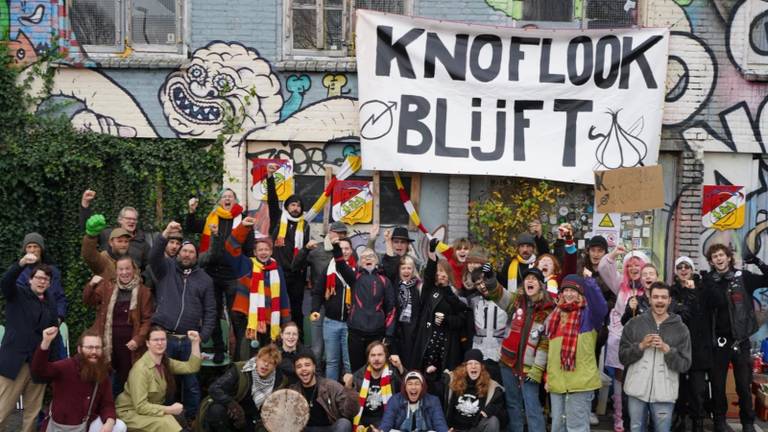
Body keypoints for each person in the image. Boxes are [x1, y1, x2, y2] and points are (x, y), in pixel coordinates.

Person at [149, 221, 216, 421]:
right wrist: (164, 235)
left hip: (189, 340)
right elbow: (153, 256)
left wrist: (202, 337)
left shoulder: (205, 279)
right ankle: (165, 419)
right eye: (183, 251)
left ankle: (193, 420)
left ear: (196, 257)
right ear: (178, 253)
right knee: (163, 382)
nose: (186, 254)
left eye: (191, 252)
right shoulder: (166, 269)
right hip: (165, 337)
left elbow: (211, 311)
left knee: (192, 383)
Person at [702, 244, 768, 432]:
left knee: (743, 385)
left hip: (741, 341)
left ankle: (747, 422)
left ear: (729, 257)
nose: (719, 258)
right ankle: (719, 421)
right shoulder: (709, 281)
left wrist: (757, 261)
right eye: (714, 256)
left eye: (721, 255)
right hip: (719, 342)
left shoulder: (743, 278)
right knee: (718, 384)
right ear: (711, 261)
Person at [482, 266, 553, 432]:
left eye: (534, 279)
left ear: (541, 285)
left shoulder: (548, 310)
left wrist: (537, 368)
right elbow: (498, 294)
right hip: (508, 362)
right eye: (527, 278)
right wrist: (491, 278)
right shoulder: (516, 301)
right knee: (513, 404)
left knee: (532, 406)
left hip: (530, 368)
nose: (530, 281)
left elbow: (545, 343)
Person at [620, 282, 692, 432]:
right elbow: (622, 357)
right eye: (656, 297)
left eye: (663, 297)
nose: (660, 301)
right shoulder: (634, 323)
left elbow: (685, 365)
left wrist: (667, 350)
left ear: (669, 300)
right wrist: (640, 346)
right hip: (636, 390)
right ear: (649, 299)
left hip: (665, 392)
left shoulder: (681, 328)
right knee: (635, 428)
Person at [186, 191, 248, 364]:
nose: (227, 198)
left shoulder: (243, 220)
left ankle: (239, 356)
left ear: (235, 200)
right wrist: (191, 212)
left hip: (233, 276)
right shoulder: (211, 218)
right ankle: (219, 349)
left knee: (237, 316)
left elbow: (249, 247)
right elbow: (191, 227)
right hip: (211, 274)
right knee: (212, 313)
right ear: (220, 201)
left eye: (231, 196)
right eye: (224, 196)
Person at [0, 258, 60, 432]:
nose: (42, 281)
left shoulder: (51, 303)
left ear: (49, 283)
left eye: (46, 279)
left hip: (38, 366)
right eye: (39, 278)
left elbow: (54, 337)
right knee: (3, 411)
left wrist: (54, 367)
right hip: (14, 364)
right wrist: (21, 264)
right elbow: (5, 281)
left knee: (32, 415)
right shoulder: (17, 294)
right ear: (30, 279)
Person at [545, 274, 608, 432]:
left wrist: (590, 282)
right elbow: (551, 353)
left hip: (581, 383)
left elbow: (601, 307)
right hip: (557, 383)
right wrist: (548, 378)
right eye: (566, 290)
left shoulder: (589, 315)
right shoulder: (555, 316)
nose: (569, 294)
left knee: (577, 428)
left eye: (574, 290)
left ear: (581, 293)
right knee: (558, 427)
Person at [32, 327, 127, 432]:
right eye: (90, 347)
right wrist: (46, 342)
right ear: (79, 349)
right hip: (60, 427)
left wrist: (109, 422)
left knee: (119, 426)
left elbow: (107, 404)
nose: (94, 352)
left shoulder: (102, 372)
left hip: (85, 425)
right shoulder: (66, 366)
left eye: (98, 347)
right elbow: (39, 370)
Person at [83, 255, 153, 395]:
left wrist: (138, 339)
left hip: (130, 345)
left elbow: (147, 320)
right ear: (116, 271)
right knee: (105, 378)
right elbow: (88, 300)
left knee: (127, 379)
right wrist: (91, 284)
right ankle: (107, 409)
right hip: (108, 341)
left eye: (127, 268)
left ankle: (123, 409)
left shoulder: (144, 291)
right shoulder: (108, 287)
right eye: (120, 269)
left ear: (134, 270)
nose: (124, 272)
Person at [223, 216, 290, 356]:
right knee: (245, 355)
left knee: (267, 356)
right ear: (254, 252)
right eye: (260, 250)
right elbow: (230, 248)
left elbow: (283, 295)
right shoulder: (246, 265)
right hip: (246, 319)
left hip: (270, 319)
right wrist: (243, 227)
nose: (263, 252)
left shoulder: (277, 270)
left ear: (271, 252)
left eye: (266, 249)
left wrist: (286, 320)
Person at [115, 326, 202, 432]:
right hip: (130, 413)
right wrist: (169, 409)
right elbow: (141, 406)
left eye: (163, 339)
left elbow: (192, 367)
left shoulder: (165, 362)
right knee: (165, 422)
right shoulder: (140, 369)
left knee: (174, 418)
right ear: (147, 343)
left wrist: (195, 342)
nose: (160, 343)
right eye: (155, 340)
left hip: (150, 411)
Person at [411, 239, 469, 394]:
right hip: (428, 343)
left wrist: (446, 320)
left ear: (448, 273)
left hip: (447, 345)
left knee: (443, 386)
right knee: (424, 382)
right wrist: (432, 254)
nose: (440, 275)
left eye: (443, 271)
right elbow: (428, 276)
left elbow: (462, 318)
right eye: (438, 271)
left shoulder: (455, 294)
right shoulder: (429, 290)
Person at [600, 246, 648, 432]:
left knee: (641, 376)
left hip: (643, 338)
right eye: (630, 265)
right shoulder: (620, 283)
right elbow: (604, 267)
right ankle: (619, 417)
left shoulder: (650, 285)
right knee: (619, 377)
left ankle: (640, 417)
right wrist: (614, 253)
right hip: (621, 336)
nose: (634, 268)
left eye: (637, 265)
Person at [330, 241, 396, 372]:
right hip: (355, 332)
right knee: (357, 370)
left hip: (376, 333)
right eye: (364, 257)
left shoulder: (384, 280)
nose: (368, 258)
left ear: (377, 261)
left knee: (377, 369)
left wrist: (388, 335)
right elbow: (341, 265)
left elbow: (391, 309)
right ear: (360, 262)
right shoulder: (354, 276)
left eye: (371, 256)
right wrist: (336, 247)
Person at [266, 163, 310, 336]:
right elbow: (271, 200)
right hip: (279, 273)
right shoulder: (278, 220)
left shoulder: (305, 226)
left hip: (297, 275)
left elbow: (305, 253)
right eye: (292, 205)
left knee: (296, 309)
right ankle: (276, 339)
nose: (295, 208)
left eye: (298, 205)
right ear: (287, 207)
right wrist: (270, 178)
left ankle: (297, 342)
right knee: (277, 307)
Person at [295, 221, 349, 359]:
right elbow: (295, 266)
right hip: (319, 304)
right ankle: (315, 375)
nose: (341, 237)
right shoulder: (316, 250)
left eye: (344, 234)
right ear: (330, 233)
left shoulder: (347, 251)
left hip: (340, 305)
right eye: (338, 233)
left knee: (339, 348)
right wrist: (305, 249)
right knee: (317, 347)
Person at [201, 344, 284, 432]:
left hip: (253, 418)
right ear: (257, 359)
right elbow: (214, 388)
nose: (266, 364)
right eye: (263, 360)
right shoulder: (240, 370)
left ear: (274, 367)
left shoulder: (278, 380)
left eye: (270, 363)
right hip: (231, 413)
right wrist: (232, 405)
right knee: (216, 410)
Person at [670, 256, 711, 432]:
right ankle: (679, 420)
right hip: (678, 346)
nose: (684, 270)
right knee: (678, 388)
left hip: (698, 346)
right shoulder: (672, 291)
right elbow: (672, 312)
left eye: (687, 267)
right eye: (680, 267)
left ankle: (697, 423)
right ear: (676, 271)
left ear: (692, 270)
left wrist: (695, 291)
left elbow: (705, 310)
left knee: (697, 389)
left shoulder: (702, 288)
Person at [310, 237, 355, 380]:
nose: (344, 251)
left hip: (351, 324)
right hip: (331, 322)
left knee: (349, 363)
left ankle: (350, 396)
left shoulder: (358, 270)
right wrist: (315, 309)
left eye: (347, 248)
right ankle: (330, 394)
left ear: (352, 251)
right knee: (332, 363)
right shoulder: (328, 269)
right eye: (341, 248)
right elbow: (317, 292)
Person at [461, 247, 507, 383]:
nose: (482, 286)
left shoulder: (506, 299)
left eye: (484, 281)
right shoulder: (473, 300)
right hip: (479, 353)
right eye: (478, 283)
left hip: (501, 353)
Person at [287, 350, 358, 432]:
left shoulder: (331, 386)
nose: (303, 369)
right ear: (295, 370)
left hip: (329, 428)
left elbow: (350, 412)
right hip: (305, 429)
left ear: (314, 367)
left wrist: (349, 389)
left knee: (344, 423)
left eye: (307, 365)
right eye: (299, 367)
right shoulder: (292, 391)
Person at [80, 190, 151, 269]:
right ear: (120, 220)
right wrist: (85, 204)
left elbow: (150, 266)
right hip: (108, 278)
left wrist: (143, 279)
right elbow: (89, 231)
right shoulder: (107, 234)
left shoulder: (143, 243)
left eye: (134, 219)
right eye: (128, 218)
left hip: (132, 280)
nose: (132, 221)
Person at [344, 341, 404, 431]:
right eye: (373, 355)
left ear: (386, 357)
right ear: (368, 358)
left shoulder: (393, 374)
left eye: (380, 355)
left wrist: (400, 367)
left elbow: (409, 388)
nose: (376, 359)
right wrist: (348, 388)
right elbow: (349, 408)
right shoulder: (358, 376)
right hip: (362, 420)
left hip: (385, 420)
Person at [442, 349, 506, 432]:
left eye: (476, 363)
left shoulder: (490, 385)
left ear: (481, 367)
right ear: (465, 366)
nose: (473, 366)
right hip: (454, 428)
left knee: (493, 421)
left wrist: (487, 411)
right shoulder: (452, 379)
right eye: (470, 363)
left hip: (474, 428)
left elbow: (499, 405)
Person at [16, 232, 67, 325]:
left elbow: (60, 297)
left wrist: (59, 317)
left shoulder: (53, 271)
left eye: (36, 246)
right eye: (29, 247)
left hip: (51, 321)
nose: (32, 250)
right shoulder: (19, 273)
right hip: (27, 323)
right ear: (25, 250)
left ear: (41, 250)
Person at [377, 370, 449, 432]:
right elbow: (387, 422)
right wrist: (381, 430)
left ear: (422, 387)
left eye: (417, 384)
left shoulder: (433, 401)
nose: (413, 387)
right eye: (410, 384)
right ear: (405, 387)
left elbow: (439, 423)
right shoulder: (395, 400)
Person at [390, 254, 422, 371]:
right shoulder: (394, 285)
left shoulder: (418, 287)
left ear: (413, 270)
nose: (406, 271)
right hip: (397, 330)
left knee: (411, 364)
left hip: (413, 331)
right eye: (403, 268)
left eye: (409, 268)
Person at [82, 214, 133, 281]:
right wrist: (91, 237)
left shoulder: (130, 260)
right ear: (111, 242)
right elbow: (89, 255)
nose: (123, 244)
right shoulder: (103, 260)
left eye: (126, 241)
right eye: (120, 241)